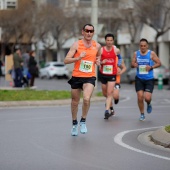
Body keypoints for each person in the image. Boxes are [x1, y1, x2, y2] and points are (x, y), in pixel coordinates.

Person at [64, 24, 101, 136]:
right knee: (75, 102)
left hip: (89, 76)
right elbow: (66, 60)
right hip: (77, 76)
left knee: (86, 98)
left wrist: (97, 61)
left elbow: (98, 56)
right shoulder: (76, 45)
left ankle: (83, 121)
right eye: (87, 31)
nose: (89, 33)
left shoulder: (97, 45)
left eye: (91, 31)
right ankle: (74, 123)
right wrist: (78, 58)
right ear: (83, 32)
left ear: (93, 32)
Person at [131, 38, 161, 121]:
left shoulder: (151, 53)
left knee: (147, 98)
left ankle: (148, 103)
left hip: (149, 79)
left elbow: (159, 63)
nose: (143, 47)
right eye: (141, 46)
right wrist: (134, 64)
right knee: (140, 97)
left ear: (147, 46)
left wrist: (151, 67)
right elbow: (132, 64)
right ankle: (142, 114)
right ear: (139, 46)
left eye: (144, 46)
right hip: (139, 79)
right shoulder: (136, 54)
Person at [99, 33, 122, 119]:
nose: (109, 42)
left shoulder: (116, 50)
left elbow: (120, 58)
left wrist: (118, 65)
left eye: (111, 40)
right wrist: (101, 62)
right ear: (105, 41)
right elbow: (96, 60)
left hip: (112, 74)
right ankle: (111, 107)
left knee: (109, 93)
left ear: (113, 41)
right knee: (105, 93)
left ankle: (106, 111)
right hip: (103, 74)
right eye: (107, 40)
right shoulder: (101, 50)